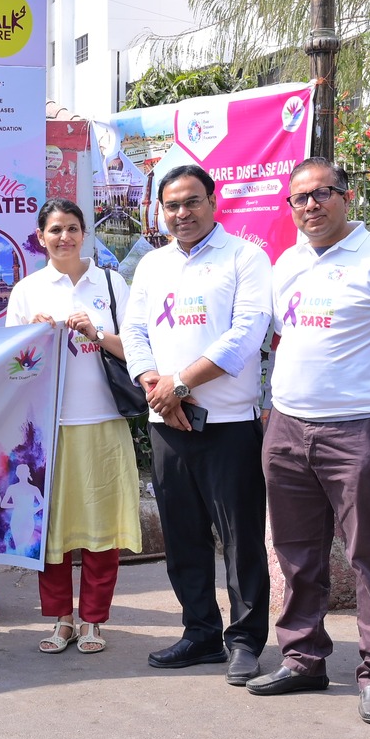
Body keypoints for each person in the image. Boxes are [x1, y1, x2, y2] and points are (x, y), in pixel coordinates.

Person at [250, 158, 370, 724]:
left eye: (322, 193)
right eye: (299, 198)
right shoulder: (285, 264)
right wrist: (269, 409)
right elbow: (278, 341)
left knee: (369, 555)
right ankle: (303, 658)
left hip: (358, 429)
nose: (310, 205)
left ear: (346, 197)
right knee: (296, 552)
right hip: (286, 428)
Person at [122, 164, 274, 684]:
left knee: (240, 537)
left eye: (191, 202)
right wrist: (155, 387)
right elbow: (135, 330)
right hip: (167, 422)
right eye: (171, 206)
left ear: (213, 201)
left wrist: (179, 385)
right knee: (182, 536)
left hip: (228, 423)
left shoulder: (245, 258)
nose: (181, 214)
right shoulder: (152, 265)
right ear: (160, 211)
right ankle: (200, 632)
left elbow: (245, 335)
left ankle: (247, 640)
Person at [4, 197, 141, 654]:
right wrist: (32, 338)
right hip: (46, 427)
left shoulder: (112, 282)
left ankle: (94, 621)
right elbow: (11, 367)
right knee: (51, 532)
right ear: (40, 237)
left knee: (101, 530)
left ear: (86, 233)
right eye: (55, 230)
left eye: (73, 228)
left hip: (103, 419)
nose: (65, 237)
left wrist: (95, 333)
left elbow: (138, 351)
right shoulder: (27, 290)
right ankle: (62, 619)